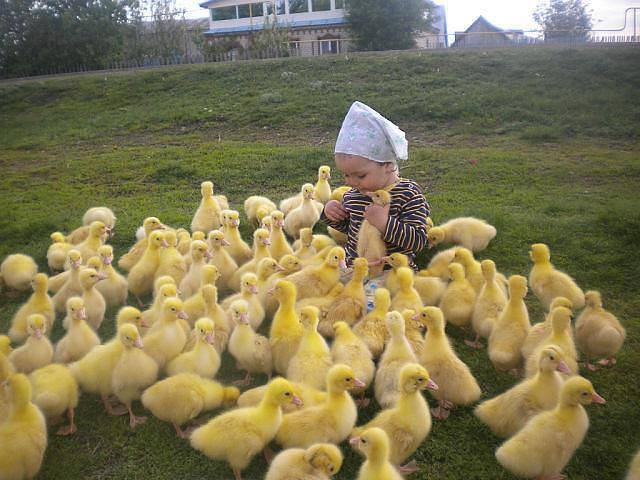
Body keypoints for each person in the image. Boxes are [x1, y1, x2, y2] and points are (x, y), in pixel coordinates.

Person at [321, 100, 430, 277]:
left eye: (360, 175)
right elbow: (352, 229)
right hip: (355, 271)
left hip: (392, 273)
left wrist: (384, 223)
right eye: (346, 175)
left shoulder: (408, 194)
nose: (351, 182)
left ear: (388, 165)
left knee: (375, 295)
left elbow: (418, 241)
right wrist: (331, 214)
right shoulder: (353, 195)